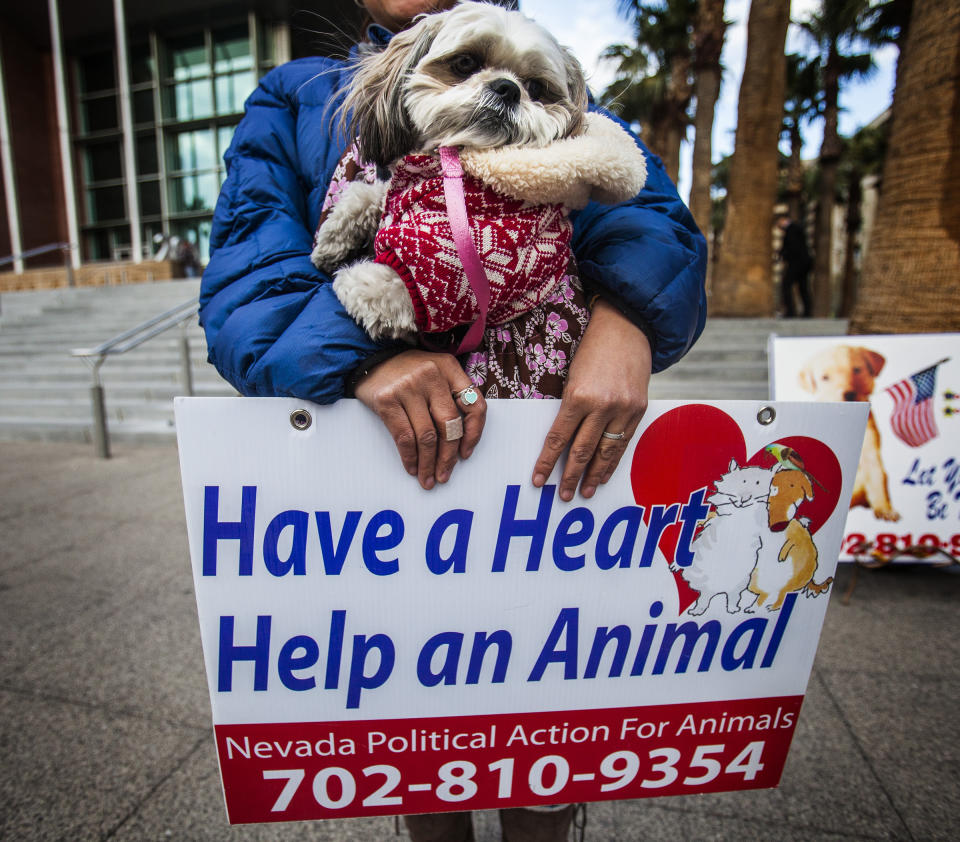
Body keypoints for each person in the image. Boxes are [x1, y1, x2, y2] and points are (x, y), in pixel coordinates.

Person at [199, 1, 706, 839]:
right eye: (464, 67)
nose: (498, 90)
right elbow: (251, 283)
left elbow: (647, 217)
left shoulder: (565, 89)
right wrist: (365, 351)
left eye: (525, 84)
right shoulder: (293, 99)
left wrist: (626, 322)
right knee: (414, 734)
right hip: (382, 475)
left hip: (544, 470)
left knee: (545, 737)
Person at [777, 212, 812, 318]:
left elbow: (792, 247)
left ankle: (790, 312)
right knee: (803, 287)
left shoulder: (791, 229)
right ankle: (807, 312)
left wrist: (783, 255)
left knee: (786, 285)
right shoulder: (797, 228)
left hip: (797, 263)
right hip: (804, 263)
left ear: (782, 220)